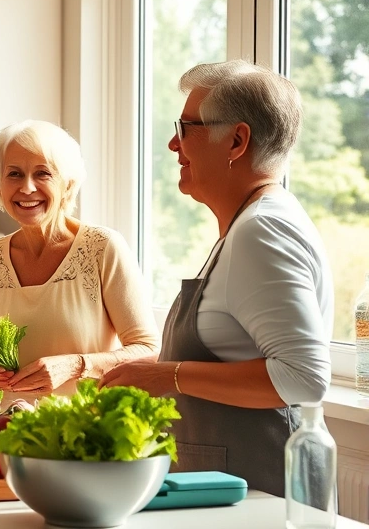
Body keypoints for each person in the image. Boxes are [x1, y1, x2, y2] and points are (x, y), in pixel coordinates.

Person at [101, 60, 333, 497]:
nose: (173, 143)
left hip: (261, 497)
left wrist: (165, 376)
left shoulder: (262, 231)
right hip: (232, 491)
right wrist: (145, 370)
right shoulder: (248, 225)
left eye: (186, 127)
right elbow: (231, 354)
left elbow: (303, 376)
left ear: (237, 140)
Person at [0, 120, 159, 403]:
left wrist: (75, 366)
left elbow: (148, 350)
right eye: (14, 174)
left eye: (42, 173)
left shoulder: (102, 248)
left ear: (67, 185)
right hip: (8, 433)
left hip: (85, 431)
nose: (27, 188)